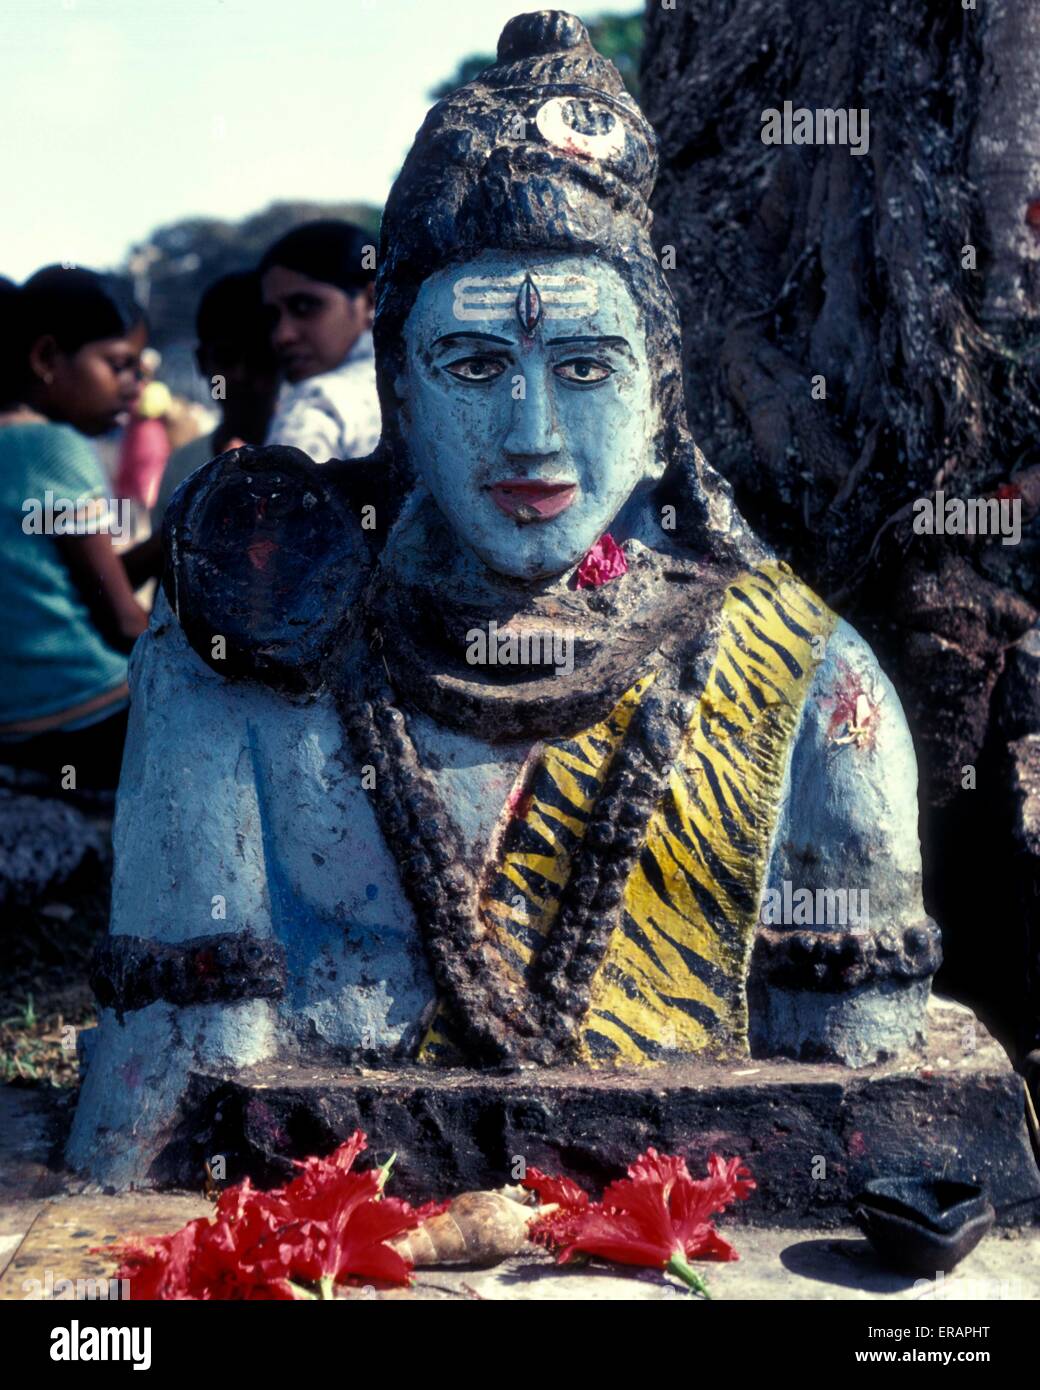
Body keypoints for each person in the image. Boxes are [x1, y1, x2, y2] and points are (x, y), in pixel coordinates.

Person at [0, 266, 149, 789]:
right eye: (117, 365)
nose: (133, 386)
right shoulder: (50, 447)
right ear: (44, 359)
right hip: (87, 717)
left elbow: (76, 582)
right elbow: (122, 623)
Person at [121, 271, 280, 584]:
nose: (241, 375)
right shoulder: (185, 463)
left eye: (259, 358)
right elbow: (166, 585)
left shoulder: (311, 455)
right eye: (227, 358)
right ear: (202, 361)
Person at [260, 220, 381, 462]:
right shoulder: (446, 383)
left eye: (305, 306)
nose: (282, 336)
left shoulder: (317, 402)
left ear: (370, 301)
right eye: (272, 316)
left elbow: (277, 500)